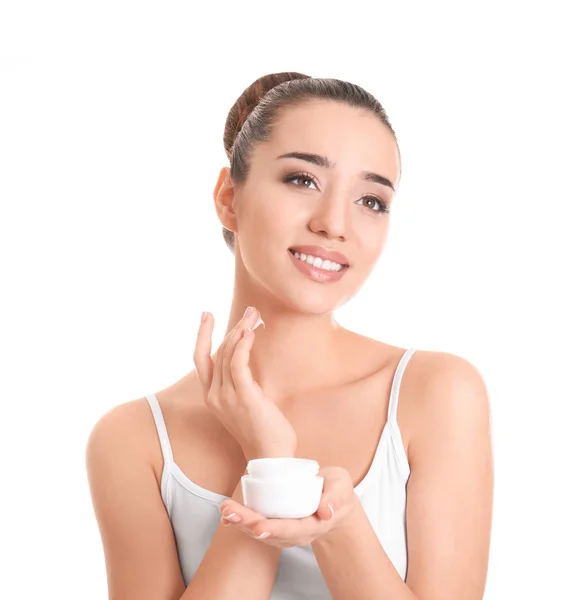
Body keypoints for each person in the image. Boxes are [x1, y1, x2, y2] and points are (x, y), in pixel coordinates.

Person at [86, 72, 494, 599]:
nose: (334, 224)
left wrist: (333, 518)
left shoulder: (436, 393)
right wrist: (269, 462)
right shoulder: (134, 440)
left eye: (371, 200)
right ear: (229, 198)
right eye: (303, 180)